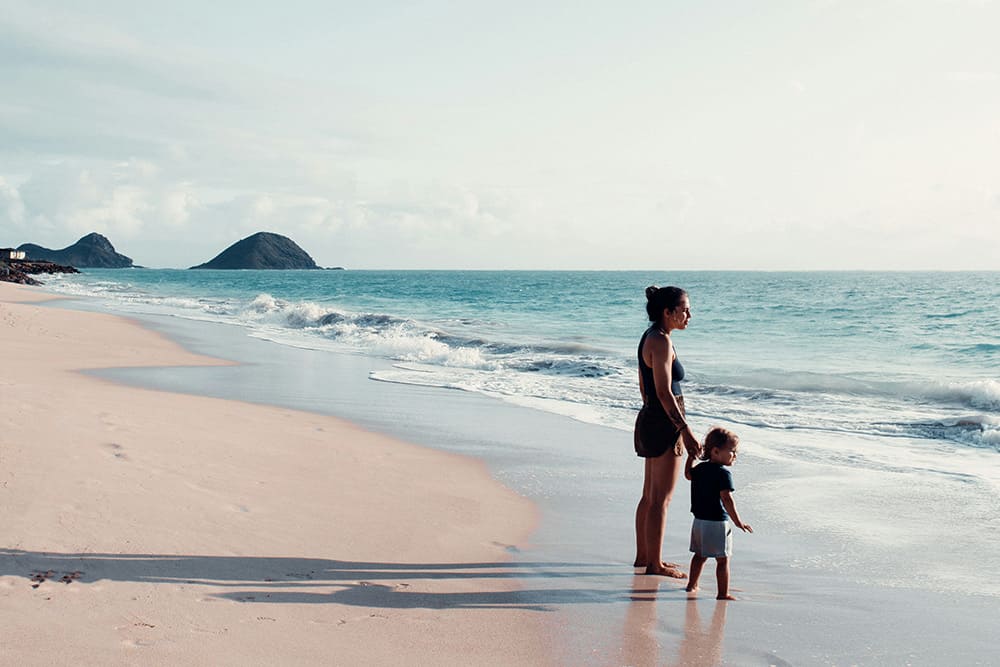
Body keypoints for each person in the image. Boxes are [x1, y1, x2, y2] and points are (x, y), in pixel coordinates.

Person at [633, 285, 701, 578]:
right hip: (665, 422)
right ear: (667, 312)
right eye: (684, 309)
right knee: (662, 498)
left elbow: (644, 385)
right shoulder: (660, 342)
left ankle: (644, 557)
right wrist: (684, 429)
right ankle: (654, 564)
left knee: (649, 495)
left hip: (652, 417)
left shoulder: (650, 337)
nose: (689, 315)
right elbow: (663, 391)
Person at [684, 427, 752, 600]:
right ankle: (723, 593)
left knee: (699, 556)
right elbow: (727, 499)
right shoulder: (723, 474)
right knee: (723, 560)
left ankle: (691, 585)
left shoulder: (699, 469)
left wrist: (691, 457)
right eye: (732, 451)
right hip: (716, 522)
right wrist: (738, 521)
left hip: (698, 522)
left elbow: (688, 475)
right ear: (715, 451)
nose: (735, 455)